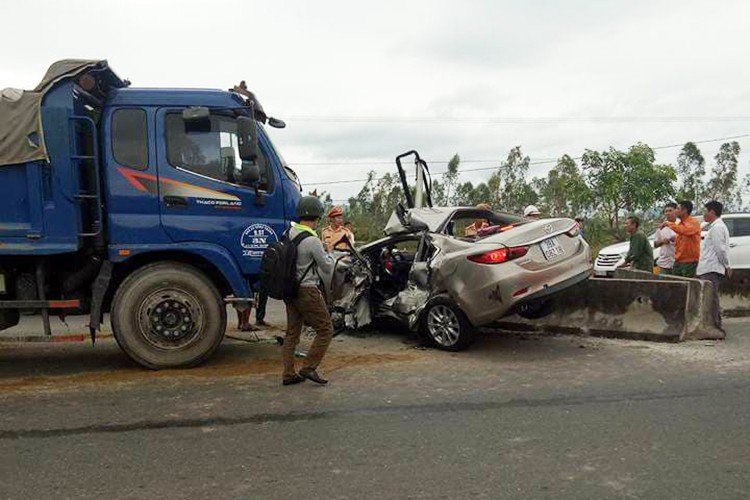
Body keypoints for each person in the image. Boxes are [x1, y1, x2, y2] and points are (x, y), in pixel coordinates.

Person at [282, 196, 335, 386]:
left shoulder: (288, 232)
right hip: (307, 291)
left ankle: (288, 374)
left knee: (292, 333)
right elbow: (327, 267)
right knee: (326, 329)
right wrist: (328, 251)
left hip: (289, 290)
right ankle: (309, 367)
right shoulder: (313, 241)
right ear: (317, 217)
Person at [697, 200, 731, 331]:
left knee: (711, 299)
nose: (703, 214)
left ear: (712, 212)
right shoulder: (714, 226)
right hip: (708, 267)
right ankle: (712, 325)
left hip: (711, 268)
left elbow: (720, 249)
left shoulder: (717, 228)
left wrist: (727, 265)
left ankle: (715, 326)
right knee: (709, 298)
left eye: (705, 211)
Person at [661, 200, 701, 278]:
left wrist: (668, 223)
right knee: (676, 285)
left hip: (689, 261)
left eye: (678, 209)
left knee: (686, 285)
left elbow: (685, 230)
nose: (676, 211)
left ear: (684, 210)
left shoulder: (693, 222)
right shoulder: (680, 224)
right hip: (678, 260)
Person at [654, 202, 678, 274]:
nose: (667, 213)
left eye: (670, 211)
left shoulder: (681, 225)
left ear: (676, 211)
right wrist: (662, 242)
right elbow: (655, 244)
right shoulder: (661, 227)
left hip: (678, 263)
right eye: (666, 211)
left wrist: (676, 239)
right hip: (664, 264)